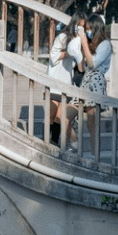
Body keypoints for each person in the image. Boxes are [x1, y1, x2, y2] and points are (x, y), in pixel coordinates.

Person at [65, 14, 111, 157]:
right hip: (85, 82)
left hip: (96, 83)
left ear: (97, 28)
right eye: (86, 29)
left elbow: (92, 64)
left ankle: (94, 158)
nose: (88, 32)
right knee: (64, 116)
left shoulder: (105, 44)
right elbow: (83, 67)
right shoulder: (88, 44)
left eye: (90, 29)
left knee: (92, 127)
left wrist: (84, 42)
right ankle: (74, 141)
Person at [47, 14, 86, 144]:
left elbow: (81, 68)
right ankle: (46, 140)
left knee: (59, 116)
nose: (80, 29)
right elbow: (53, 56)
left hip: (67, 82)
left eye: (83, 27)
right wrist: (71, 51)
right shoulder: (62, 37)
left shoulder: (80, 43)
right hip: (54, 79)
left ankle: (54, 141)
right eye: (79, 26)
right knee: (51, 114)